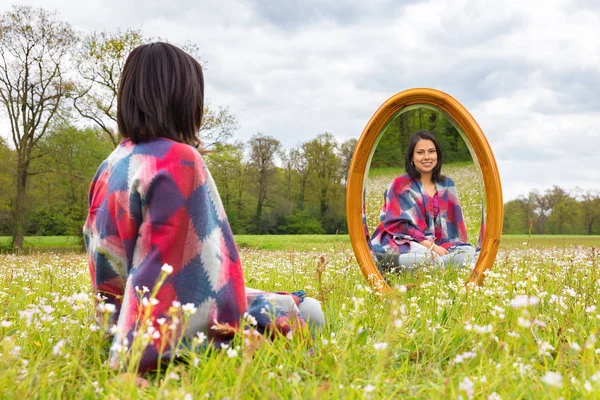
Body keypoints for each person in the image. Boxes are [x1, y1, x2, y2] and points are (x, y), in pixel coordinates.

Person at [83, 42, 324, 375]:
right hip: (156, 336)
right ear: (182, 98)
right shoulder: (177, 160)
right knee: (310, 312)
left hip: (114, 327)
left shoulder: (110, 165)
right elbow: (193, 277)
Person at [370, 130, 476, 271]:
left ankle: (425, 265)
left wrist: (440, 248)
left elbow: (455, 229)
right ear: (412, 158)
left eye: (431, 151)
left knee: (468, 253)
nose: (427, 157)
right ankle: (387, 262)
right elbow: (399, 226)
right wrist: (431, 247)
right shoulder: (400, 184)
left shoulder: (447, 185)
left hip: (439, 246)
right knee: (426, 258)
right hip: (404, 241)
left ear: (437, 154)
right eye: (420, 152)